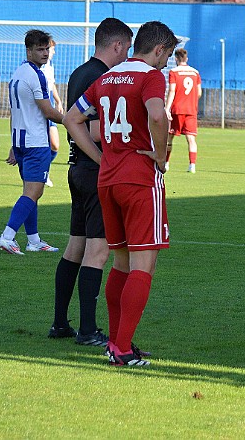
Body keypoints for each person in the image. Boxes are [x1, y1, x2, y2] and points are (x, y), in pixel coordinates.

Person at [63, 21, 179, 366]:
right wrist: (160, 154)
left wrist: (101, 158)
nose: (166, 64)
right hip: (140, 180)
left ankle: (116, 341)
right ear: (157, 49)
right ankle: (122, 349)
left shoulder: (107, 77)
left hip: (108, 181)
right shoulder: (150, 76)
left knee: (122, 263)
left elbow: (71, 119)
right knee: (144, 265)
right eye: (167, 56)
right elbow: (158, 115)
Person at [49, 18, 133, 344]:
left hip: (76, 170)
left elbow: (74, 121)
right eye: (126, 47)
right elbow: (94, 128)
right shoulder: (103, 76)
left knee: (76, 246)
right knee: (98, 252)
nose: (127, 54)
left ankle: (59, 323)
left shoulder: (78, 71)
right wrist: (107, 156)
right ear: (116, 45)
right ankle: (86, 330)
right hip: (93, 171)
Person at [0, 30, 64, 255]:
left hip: (22, 142)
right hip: (36, 143)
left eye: (46, 49)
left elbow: (13, 112)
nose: (44, 53)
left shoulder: (18, 73)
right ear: (29, 50)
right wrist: (73, 120)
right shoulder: (37, 76)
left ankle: (33, 240)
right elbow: (47, 111)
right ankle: (7, 236)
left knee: (31, 191)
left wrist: (14, 145)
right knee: (33, 192)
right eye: (40, 49)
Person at [165, 48, 202, 173]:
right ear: (186, 59)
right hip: (191, 110)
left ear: (175, 59)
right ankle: (192, 165)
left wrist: (167, 108)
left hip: (177, 109)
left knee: (169, 137)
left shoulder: (174, 72)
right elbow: (199, 92)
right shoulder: (195, 73)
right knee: (191, 139)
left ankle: (166, 163)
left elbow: (172, 91)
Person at [41, 39, 63, 187]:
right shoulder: (39, 67)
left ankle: (43, 172)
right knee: (42, 145)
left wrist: (58, 101)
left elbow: (51, 84)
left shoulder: (49, 66)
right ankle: (41, 173)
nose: (53, 52)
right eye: (52, 49)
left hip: (50, 105)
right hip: (42, 108)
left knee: (55, 145)